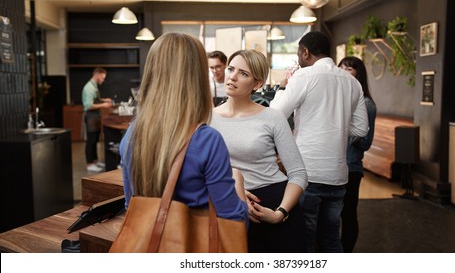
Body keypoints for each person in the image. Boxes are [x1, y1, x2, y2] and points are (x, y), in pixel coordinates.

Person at [119, 33, 248, 226]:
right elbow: (234, 224)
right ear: (197, 79)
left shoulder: (132, 134)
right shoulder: (208, 140)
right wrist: (237, 183)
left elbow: (132, 208)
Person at [270, 31, 369, 253]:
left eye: (298, 54)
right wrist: (339, 125)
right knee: (331, 238)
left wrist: (283, 87)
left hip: (308, 173)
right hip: (337, 176)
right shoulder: (352, 82)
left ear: (305, 52)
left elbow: (276, 113)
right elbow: (361, 128)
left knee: (305, 238)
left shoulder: (303, 77)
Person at [210, 49, 308, 253]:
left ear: (257, 84)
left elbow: (298, 174)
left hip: (274, 202)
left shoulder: (272, 117)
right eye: (231, 69)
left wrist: (280, 213)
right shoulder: (206, 118)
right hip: (227, 204)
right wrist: (233, 188)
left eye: (243, 74)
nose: (233, 76)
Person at [338, 56, 377, 253]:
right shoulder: (336, 100)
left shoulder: (367, 104)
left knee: (348, 215)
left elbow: (366, 143)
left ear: (358, 74)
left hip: (351, 168)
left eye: (350, 69)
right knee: (330, 216)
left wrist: (350, 128)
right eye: (342, 68)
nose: (345, 72)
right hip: (332, 166)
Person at [81, 67, 112, 172]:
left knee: (95, 139)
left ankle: (94, 160)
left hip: (95, 117)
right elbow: (88, 105)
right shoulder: (89, 88)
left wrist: (104, 99)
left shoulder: (94, 86)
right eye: (102, 78)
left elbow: (95, 100)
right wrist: (104, 104)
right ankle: (89, 164)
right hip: (90, 117)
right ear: (97, 75)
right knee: (91, 140)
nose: (103, 80)